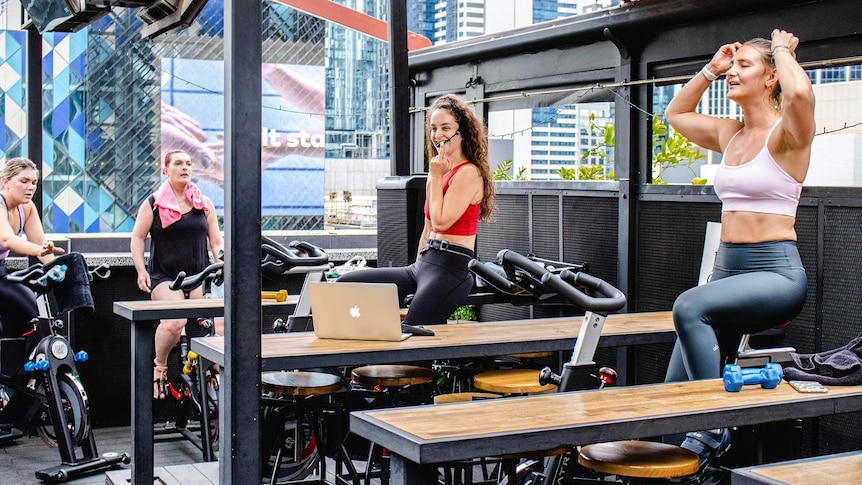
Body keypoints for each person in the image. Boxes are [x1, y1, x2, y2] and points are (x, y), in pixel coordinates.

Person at [662, 29, 814, 467]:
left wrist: (783, 49)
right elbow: (676, 113)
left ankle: (714, 425)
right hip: (727, 273)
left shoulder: (789, 135)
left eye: (744, 65)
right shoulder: (731, 134)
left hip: (775, 274)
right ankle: (692, 463)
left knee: (688, 307)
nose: (733, 72)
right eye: (734, 65)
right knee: (671, 401)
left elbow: (801, 94)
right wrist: (711, 68)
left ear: (771, 78)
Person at [337, 93, 495, 325]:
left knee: (412, 329)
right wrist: (418, 266)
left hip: (450, 269)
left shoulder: (468, 173)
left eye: (445, 127)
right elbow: (429, 227)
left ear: (462, 132)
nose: (437, 135)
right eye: (433, 128)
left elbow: (442, 222)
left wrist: (436, 175)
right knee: (345, 285)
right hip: (423, 264)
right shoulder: (438, 170)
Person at [131, 150, 224, 399]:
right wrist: (141, 269)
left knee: (218, 326)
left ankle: (211, 373)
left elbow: (216, 242)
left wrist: (223, 265)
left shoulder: (203, 204)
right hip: (166, 277)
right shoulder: (153, 204)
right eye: (178, 163)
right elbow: (138, 237)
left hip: (199, 275)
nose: (185, 167)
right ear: (166, 170)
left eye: (189, 164)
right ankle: (159, 367)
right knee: (175, 322)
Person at [0, 158, 65, 340]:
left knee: (34, 315)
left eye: (34, 182)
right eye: (24, 181)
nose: (31, 187)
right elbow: (7, 240)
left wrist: (59, 269)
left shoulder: (27, 208)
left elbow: (41, 247)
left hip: (0, 272)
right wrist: (38, 251)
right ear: (5, 182)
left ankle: (33, 367)